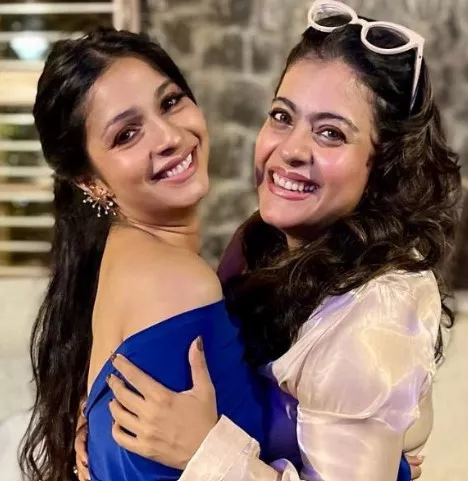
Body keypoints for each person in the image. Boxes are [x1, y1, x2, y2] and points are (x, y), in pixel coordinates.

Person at [91, 2, 461, 480]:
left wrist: (204, 450)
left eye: (331, 133)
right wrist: (96, 422)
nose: (291, 150)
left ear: (385, 163)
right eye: (283, 116)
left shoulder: (380, 309)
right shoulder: (259, 240)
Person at [19, 28, 267, 481]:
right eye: (127, 134)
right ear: (91, 181)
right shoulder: (174, 284)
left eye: (170, 102)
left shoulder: (119, 261)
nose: (169, 136)